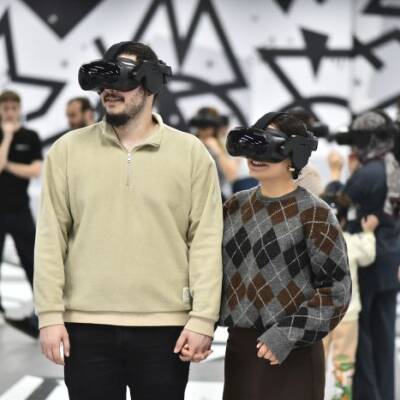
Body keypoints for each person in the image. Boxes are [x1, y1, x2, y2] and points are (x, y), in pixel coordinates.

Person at [34, 41, 223, 400]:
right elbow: (50, 238)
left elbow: (205, 241)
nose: (109, 89)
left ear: (151, 84)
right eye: (104, 80)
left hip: (165, 328)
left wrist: (203, 318)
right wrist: (49, 315)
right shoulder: (67, 151)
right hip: (85, 326)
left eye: (120, 79)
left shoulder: (191, 155)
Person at [218, 112, 351, 400]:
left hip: (292, 352)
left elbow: (337, 290)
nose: (256, 156)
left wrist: (288, 334)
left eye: (268, 145)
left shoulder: (315, 213)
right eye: (253, 144)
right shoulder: (234, 207)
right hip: (240, 350)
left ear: (295, 154)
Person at [331, 111, 400, 400]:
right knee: (384, 336)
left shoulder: (368, 173)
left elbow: (337, 205)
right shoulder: (393, 166)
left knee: (362, 337)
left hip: (366, 261)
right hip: (390, 259)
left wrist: (337, 176)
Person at [322, 150, 378, 400]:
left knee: (317, 360)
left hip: (319, 314)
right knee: (344, 362)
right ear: (345, 220)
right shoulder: (352, 242)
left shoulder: (315, 243)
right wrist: (369, 233)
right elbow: (369, 256)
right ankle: (342, 396)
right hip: (348, 313)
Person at [0, 90, 42, 338]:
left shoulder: (30, 136)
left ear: (19, 109)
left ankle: (41, 312)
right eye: (5, 108)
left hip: (20, 210)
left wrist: (8, 165)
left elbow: (35, 170)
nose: (9, 112)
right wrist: (6, 137)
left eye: (13, 108)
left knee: (32, 261)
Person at [189, 107, 239, 200]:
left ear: (215, 127)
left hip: (215, 196)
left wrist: (217, 150)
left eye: (208, 126)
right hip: (193, 195)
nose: (204, 130)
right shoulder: (190, 143)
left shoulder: (222, 144)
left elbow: (233, 175)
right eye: (201, 126)